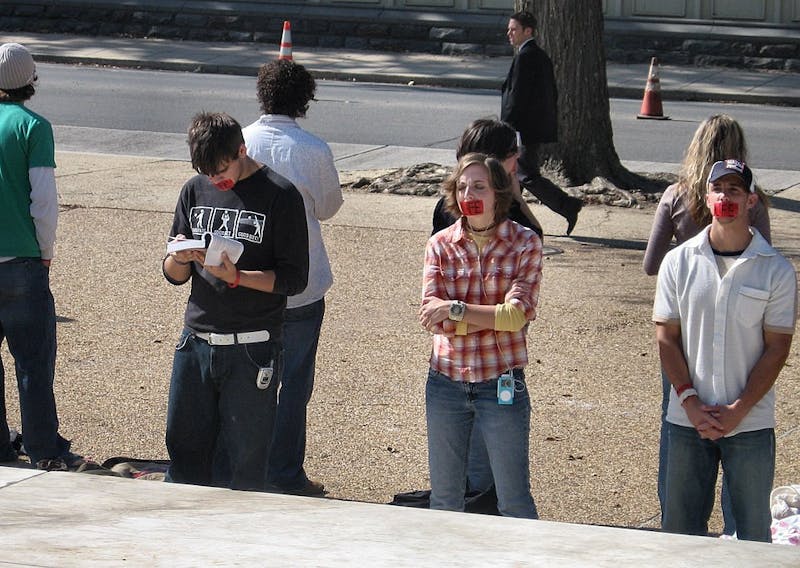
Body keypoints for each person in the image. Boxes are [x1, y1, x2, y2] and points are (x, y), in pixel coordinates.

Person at [163, 111, 308, 490]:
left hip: (252, 347)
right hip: (195, 342)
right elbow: (173, 274)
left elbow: (294, 279)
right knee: (184, 456)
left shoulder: (281, 195)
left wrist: (239, 278)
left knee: (244, 468)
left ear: (242, 150)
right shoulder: (195, 189)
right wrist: (178, 259)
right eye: (207, 172)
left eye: (222, 170)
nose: (215, 180)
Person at [653, 159, 796, 542]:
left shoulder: (776, 270)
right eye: (719, 189)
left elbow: (777, 346)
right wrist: (689, 400)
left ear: (751, 201)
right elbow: (666, 337)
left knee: (752, 540)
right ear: (706, 197)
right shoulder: (678, 263)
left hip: (749, 424)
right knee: (680, 536)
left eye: (735, 190)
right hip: (686, 421)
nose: (726, 197)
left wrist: (740, 409)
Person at [643, 114, 771, 533]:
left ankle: (677, 521)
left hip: (685, 332)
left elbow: (651, 264)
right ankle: (737, 529)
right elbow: (765, 258)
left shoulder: (676, 195)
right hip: (740, 335)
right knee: (743, 433)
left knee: (678, 428)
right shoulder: (754, 200)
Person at [419, 152, 542, 518]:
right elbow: (430, 317)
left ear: (497, 193)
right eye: (461, 186)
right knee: (444, 501)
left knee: (514, 500)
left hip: (500, 383)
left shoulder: (525, 243)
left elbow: (518, 315)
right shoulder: (439, 244)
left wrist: (455, 310)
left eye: (478, 186)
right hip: (445, 384)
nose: (468, 193)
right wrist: (493, 318)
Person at [243, 59, 343, 496]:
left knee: (246, 380)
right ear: (304, 100)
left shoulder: (242, 140)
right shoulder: (314, 149)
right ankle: (283, 472)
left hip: (248, 277)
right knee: (294, 383)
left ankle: (243, 463)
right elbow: (327, 207)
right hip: (302, 281)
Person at [0, 42, 84, 471]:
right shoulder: (34, 127)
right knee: (32, 362)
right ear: (30, 82)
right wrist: (45, 251)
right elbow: (44, 203)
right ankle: (43, 447)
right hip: (21, 261)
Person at [501, 11, 582, 235]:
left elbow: (517, 97)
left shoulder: (527, 56)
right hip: (530, 128)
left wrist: (506, 127)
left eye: (513, 29)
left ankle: (566, 205)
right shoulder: (536, 55)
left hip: (524, 130)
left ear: (528, 31)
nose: (509, 33)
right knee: (513, 174)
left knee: (524, 174)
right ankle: (509, 218)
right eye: (509, 29)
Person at [431, 117, 543, 240]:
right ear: (494, 161)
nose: (518, 155)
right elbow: (536, 239)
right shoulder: (501, 203)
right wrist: (517, 198)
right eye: (513, 151)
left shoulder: (445, 205)